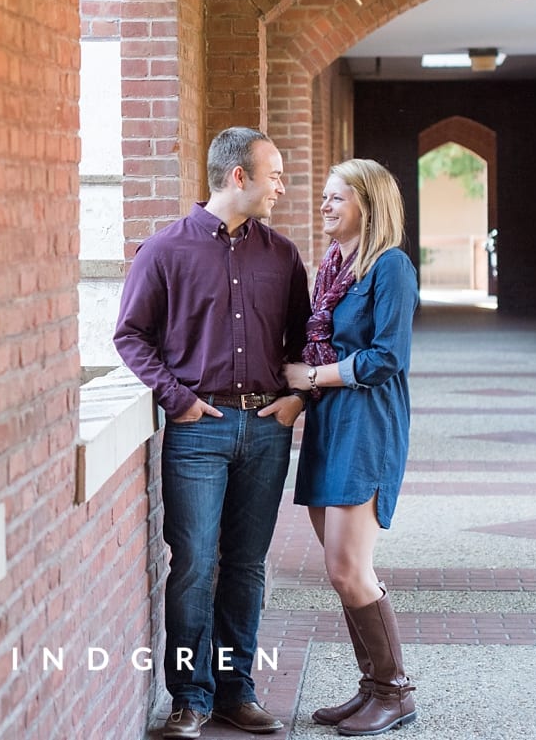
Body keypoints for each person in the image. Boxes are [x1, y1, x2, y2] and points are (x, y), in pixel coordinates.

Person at [114, 127, 311, 739]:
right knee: (196, 562)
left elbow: (307, 340)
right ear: (238, 177)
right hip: (199, 431)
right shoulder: (165, 251)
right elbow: (130, 336)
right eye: (274, 173)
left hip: (266, 429)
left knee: (247, 564)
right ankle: (189, 698)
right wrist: (179, 400)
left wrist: (296, 400)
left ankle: (236, 692)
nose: (283, 184)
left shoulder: (282, 255)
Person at [283, 158, 418, 737]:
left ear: (368, 203)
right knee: (342, 570)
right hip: (329, 420)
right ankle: (372, 688)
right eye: (325, 197)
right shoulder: (333, 268)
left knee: (349, 567)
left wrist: (310, 381)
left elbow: (388, 356)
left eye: (337, 198)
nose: (325, 206)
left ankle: (396, 691)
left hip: (367, 421)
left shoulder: (390, 268)